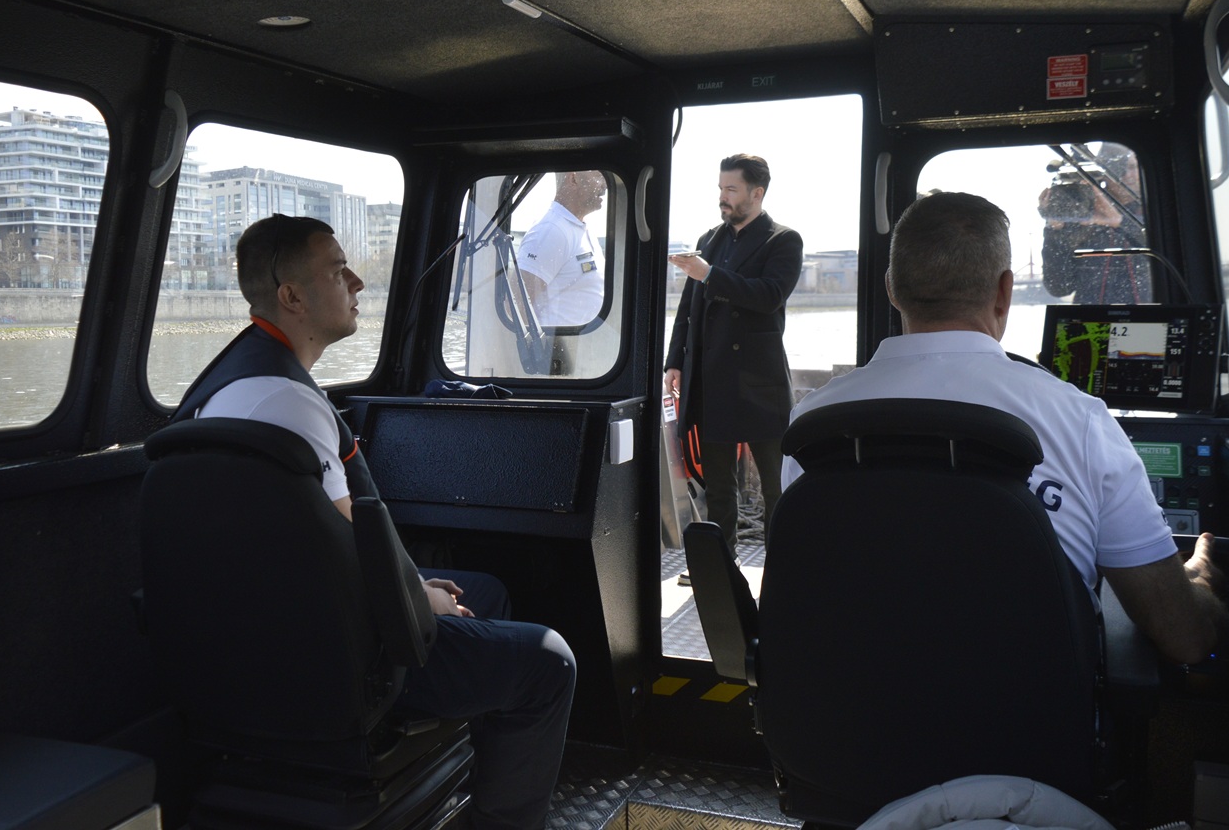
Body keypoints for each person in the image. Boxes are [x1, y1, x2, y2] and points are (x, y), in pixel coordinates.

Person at [171, 213, 575, 830]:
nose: (358, 281)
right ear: (292, 297)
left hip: (255, 636)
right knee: (548, 661)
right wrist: (420, 600)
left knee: (485, 591)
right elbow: (352, 556)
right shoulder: (291, 406)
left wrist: (420, 587)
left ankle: (454, 777)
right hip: (338, 660)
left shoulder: (233, 386)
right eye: (338, 271)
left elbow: (320, 551)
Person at [784, 192, 1228, 664]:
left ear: (892, 289)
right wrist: (1202, 582)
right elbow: (1184, 638)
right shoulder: (1079, 419)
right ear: (1004, 291)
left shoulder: (813, 423)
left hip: (848, 699)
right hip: (1032, 709)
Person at [665, 154, 803, 555]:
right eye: (720, 188)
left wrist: (709, 274)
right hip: (712, 379)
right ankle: (721, 568)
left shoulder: (783, 240)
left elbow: (769, 295)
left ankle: (782, 566)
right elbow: (688, 308)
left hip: (760, 383)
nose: (722, 197)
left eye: (731, 189)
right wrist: (675, 362)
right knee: (718, 487)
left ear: (756, 193)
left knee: (777, 487)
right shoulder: (710, 239)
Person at [1040, 142, 1151, 303]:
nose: (1128, 175)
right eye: (1118, 168)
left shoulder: (1157, 213)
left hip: (1149, 315)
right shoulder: (1082, 219)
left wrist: (1120, 222)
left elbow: (1170, 262)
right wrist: (1055, 229)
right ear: (1102, 172)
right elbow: (1059, 288)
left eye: (1133, 167)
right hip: (1090, 318)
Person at [518, 170, 607, 327]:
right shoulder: (551, 230)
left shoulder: (580, 229)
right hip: (557, 342)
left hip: (579, 341)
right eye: (598, 176)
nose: (605, 185)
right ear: (573, 178)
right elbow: (517, 306)